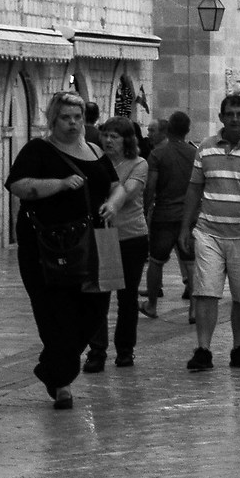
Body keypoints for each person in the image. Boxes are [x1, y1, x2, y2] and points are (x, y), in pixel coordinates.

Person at [5, 91, 125, 409]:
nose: (73, 124)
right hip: (49, 248)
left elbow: (116, 185)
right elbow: (17, 185)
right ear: (53, 119)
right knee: (55, 315)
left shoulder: (96, 150)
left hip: (100, 242)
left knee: (95, 312)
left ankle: (53, 368)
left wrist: (113, 204)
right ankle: (61, 383)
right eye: (66, 118)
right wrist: (58, 184)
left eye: (78, 118)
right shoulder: (39, 150)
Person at [179, 92, 240, 371]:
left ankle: (239, 348)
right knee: (206, 291)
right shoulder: (205, 148)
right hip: (209, 232)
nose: (234, 119)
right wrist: (186, 226)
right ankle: (203, 349)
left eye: (239, 114)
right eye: (229, 114)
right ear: (221, 117)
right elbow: (195, 187)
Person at [90, 117, 151, 368]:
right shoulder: (94, 162)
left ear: (127, 140)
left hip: (131, 236)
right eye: (105, 135)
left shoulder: (139, 164)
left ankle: (125, 349)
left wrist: (111, 198)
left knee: (127, 298)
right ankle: (97, 351)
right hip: (102, 235)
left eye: (114, 136)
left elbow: (129, 191)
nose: (108, 140)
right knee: (99, 296)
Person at [142, 110, 198, 320]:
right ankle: (193, 308)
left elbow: (151, 187)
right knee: (190, 262)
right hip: (189, 216)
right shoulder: (194, 154)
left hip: (163, 215)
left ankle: (152, 305)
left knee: (156, 261)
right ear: (187, 130)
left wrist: (146, 207)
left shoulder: (157, 154)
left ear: (169, 130)